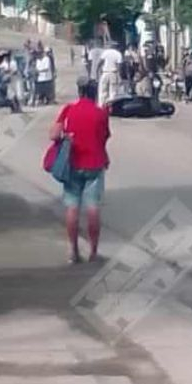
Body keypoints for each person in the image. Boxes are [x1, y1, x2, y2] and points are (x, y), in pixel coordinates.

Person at [51, 77, 111, 263]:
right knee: (93, 208)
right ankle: (93, 252)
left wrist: (66, 137)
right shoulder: (101, 113)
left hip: (73, 164)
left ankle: (73, 252)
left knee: (72, 207)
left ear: (79, 91)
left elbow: (53, 135)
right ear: (94, 93)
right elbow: (104, 138)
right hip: (94, 164)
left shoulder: (69, 110)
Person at [95, 42, 124, 107]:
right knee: (113, 91)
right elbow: (119, 66)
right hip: (113, 73)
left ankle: (101, 106)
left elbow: (100, 62)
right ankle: (110, 106)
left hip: (105, 73)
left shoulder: (105, 52)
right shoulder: (118, 54)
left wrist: (97, 71)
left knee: (102, 90)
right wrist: (119, 76)